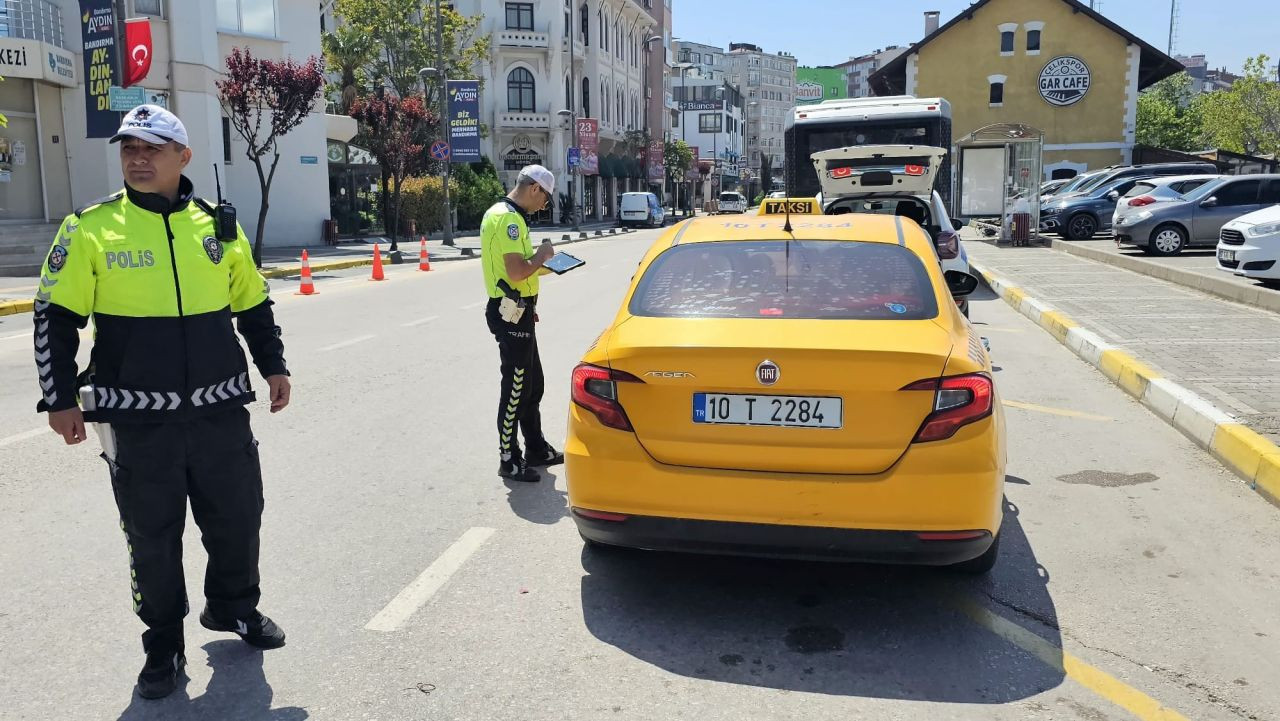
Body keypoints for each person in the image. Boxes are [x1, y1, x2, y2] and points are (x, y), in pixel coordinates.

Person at [32, 105, 291, 700]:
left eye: (152, 148)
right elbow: (55, 317)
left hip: (220, 407)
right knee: (151, 535)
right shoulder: (90, 228)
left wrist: (273, 365)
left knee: (238, 517)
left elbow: (252, 303)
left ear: (183, 158)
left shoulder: (217, 227)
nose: (138, 159)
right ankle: (164, 644)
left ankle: (234, 610)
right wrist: (59, 396)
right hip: (137, 417)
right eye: (129, 149)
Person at [480, 164, 564, 483]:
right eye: (546, 198)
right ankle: (509, 459)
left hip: (520, 310)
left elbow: (520, 271)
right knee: (515, 389)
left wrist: (546, 268)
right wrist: (543, 255)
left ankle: (536, 449)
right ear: (534, 189)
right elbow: (517, 272)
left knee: (532, 384)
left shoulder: (508, 215)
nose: (545, 206)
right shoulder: (508, 220)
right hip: (509, 312)